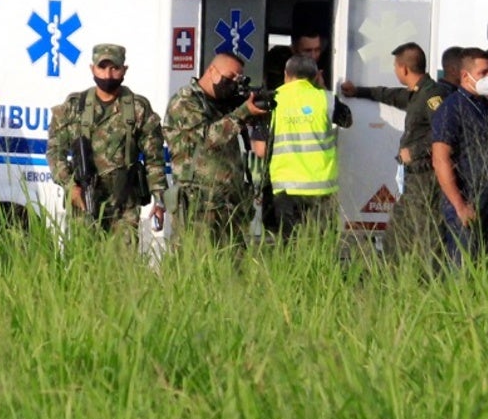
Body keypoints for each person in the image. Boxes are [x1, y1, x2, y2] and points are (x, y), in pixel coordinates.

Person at [340, 41, 451, 268]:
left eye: (395, 67)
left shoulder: (433, 96)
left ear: (404, 69)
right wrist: (358, 91)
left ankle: (428, 276)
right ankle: (394, 274)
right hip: (412, 177)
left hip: (426, 176)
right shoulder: (417, 94)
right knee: (398, 230)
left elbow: (446, 132)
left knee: (425, 231)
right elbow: (391, 95)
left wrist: (415, 151)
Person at [46, 42, 167, 238]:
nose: (108, 75)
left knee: (122, 266)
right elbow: (55, 151)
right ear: (92, 69)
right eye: (102, 68)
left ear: (124, 70)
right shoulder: (74, 107)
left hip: (124, 206)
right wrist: (70, 186)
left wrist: (160, 200)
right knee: (83, 263)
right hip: (84, 201)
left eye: (115, 68)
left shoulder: (138, 108)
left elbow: (154, 159)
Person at [164, 51, 268, 249]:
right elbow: (207, 140)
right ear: (212, 71)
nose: (232, 85)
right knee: (195, 267)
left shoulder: (223, 104)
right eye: (229, 78)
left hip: (230, 205)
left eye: (237, 80)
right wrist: (243, 112)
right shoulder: (185, 102)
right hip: (198, 207)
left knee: (232, 270)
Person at [268, 54, 349, 240]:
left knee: (290, 244)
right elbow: (347, 120)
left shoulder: (274, 99)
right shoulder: (326, 99)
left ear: (286, 74)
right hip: (321, 189)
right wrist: (321, 87)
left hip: (286, 187)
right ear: (315, 76)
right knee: (321, 243)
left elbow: (264, 144)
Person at [431, 47, 488, 265]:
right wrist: (460, 205)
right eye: (483, 73)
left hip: (485, 200)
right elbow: (440, 159)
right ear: (466, 76)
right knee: (464, 267)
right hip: (467, 201)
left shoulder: (483, 105)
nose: (487, 78)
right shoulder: (452, 108)